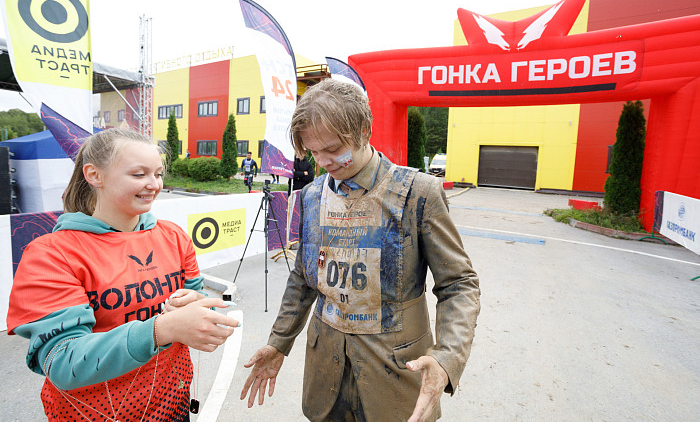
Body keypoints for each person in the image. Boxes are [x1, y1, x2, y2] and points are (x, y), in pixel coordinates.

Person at [240, 79, 480, 421]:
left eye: (334, 149)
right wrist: (280, 341)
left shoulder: (419, 193)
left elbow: (459, 285)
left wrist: (447, 358)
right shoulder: (311, 196)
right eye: (313, 152)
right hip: (326, 379)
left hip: (395, 379)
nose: (323, 162)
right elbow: (304, 278)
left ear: (364, 129)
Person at [6, 128, 239, 422]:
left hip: (174, 403)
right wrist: (160, 329)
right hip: (93, 413)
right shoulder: (52, 253)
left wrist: (196, 304)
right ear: (94, 175)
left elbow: (198, 300)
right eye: (139, 174)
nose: (153, 185)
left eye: (158, 174)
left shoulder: (174, 236)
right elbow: (63, 361)